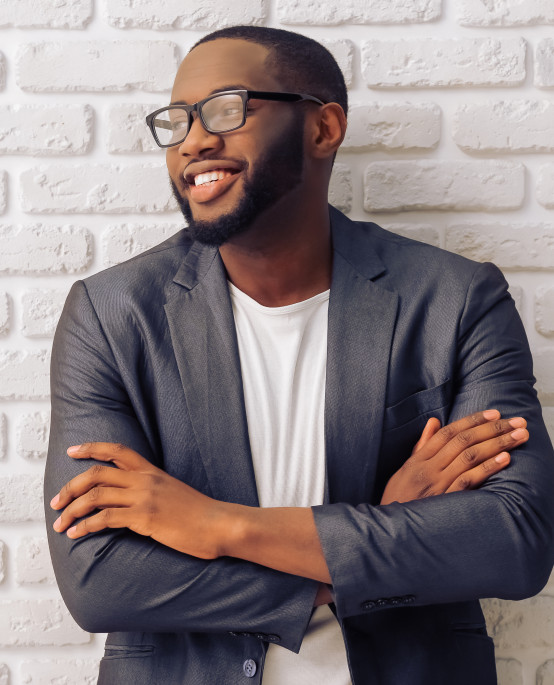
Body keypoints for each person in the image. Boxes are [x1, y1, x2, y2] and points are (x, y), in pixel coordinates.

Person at [44, 26, 554, 685]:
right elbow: (99, 580)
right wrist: (375, 538)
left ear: (323, 128)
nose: (194, 139)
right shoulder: (113, 315)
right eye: (178, 121)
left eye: (228, 108)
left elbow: (514, 542)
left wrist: (213, 524)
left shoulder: (456, 299)